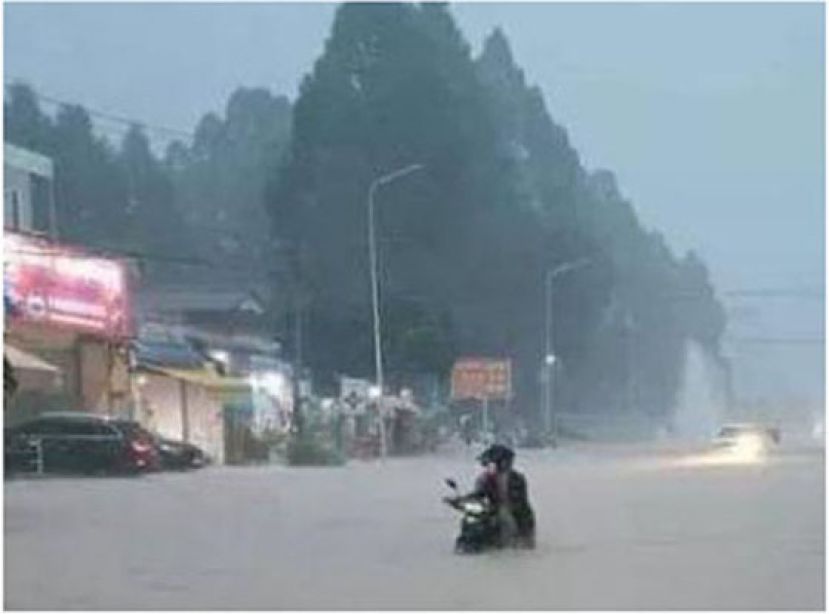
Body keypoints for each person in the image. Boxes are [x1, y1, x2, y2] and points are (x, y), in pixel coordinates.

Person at [472, 443, 536, 549]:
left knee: (505, 517)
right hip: (491, 509)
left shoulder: (517, 478)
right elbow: (478, 494)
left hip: (514, 512)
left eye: (492, 463)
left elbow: (519, 499)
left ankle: (508, 543)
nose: (488, 466)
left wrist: (505, 505)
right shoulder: (484, 478)